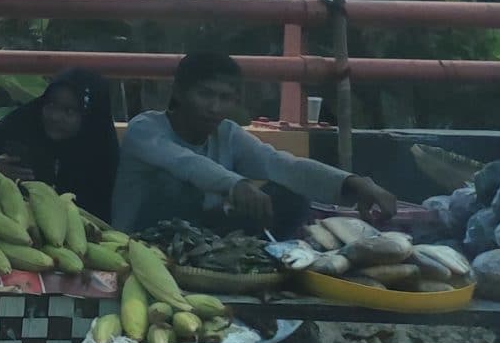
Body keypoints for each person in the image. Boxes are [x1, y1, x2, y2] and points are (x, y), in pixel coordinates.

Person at [112, 52, 396, 233]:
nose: (214, 107)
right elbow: (186, 163)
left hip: (202, 236)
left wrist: (353, 183)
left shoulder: (228, 134)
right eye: (205, 94)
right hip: (140, 243)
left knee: (289, 192)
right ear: (180, 93)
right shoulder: (145, 129)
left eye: (225, 98)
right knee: (175, 185)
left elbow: (280, 164)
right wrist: (236, 184)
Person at [0, 67, 119, 207]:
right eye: (51, 105)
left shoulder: (101, 149)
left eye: (69, 111)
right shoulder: (19, 126)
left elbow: (104, 211)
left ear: (89, 117)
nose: (55, 117)